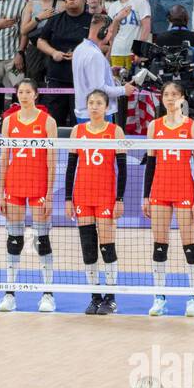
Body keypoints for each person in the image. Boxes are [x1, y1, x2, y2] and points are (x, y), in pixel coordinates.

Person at [143, 79, 194, 316]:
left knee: (189, 243)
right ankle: (159, 297)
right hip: (159, 190)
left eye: (174, 94)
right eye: (166, 94)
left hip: (184, 190)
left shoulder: (192, 127)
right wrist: (145, 196)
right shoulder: (154, 126)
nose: (169, 98)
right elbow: (150, 163)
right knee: (160, 245)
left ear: (182, 99)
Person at [0, 79, 58, 310]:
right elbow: (4, 159)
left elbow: (52, 161)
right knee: (14, 239)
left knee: (42, 240)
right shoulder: (9, 122)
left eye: (28, 92)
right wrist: (0, 193)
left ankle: (48, 294)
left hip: (39, 185)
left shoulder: (48, 122)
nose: (24, 95)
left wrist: (50, 194)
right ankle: (10, 294)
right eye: (20, 92)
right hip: (14, 185)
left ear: (36, 95)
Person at [66, 88, 127, 314]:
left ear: (106, 106)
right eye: (91, 102)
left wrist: (119, 199)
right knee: (88, 248)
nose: (94, 106)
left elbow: (123, 169)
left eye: (98, 103)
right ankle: (94, 296)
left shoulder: (115, 131)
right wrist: (68, 198)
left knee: (107, 247)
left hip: (106, 196)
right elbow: (71, 167)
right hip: (82, 195)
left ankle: (110, 298)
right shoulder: (77, 131)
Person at [36, 0, 91, 126]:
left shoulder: (92, 21)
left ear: (85, 0)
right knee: (54, 120)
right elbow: (40, 41)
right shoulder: (55, 19)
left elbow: (103, 45)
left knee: (78, 122)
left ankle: (77, 148)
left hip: (82, 79)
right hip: (56, 77)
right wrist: (53, 52)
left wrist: (80, 54)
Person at [72, 12, 131, 121]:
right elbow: (99, 90)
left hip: (84, 113)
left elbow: (88, 78)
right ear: (103, 32)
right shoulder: (95, 55)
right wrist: (124, 90)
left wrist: (108, 71)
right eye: (110, 32)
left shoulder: (79, 49)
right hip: (98, 114)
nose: (110, 36)